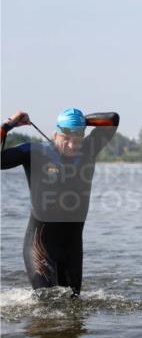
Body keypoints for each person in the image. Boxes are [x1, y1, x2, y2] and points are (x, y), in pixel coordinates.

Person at [1, 108, 120, 295]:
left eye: (78, 139)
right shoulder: (34, 152)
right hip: (40, 245)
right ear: (56, 134)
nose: (73, 146)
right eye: (67, 139)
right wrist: (8, 125)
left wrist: (80, 122)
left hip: (72, 248)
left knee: (73, 309)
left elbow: (112, 120)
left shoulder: (88, 149)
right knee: (48, 305)